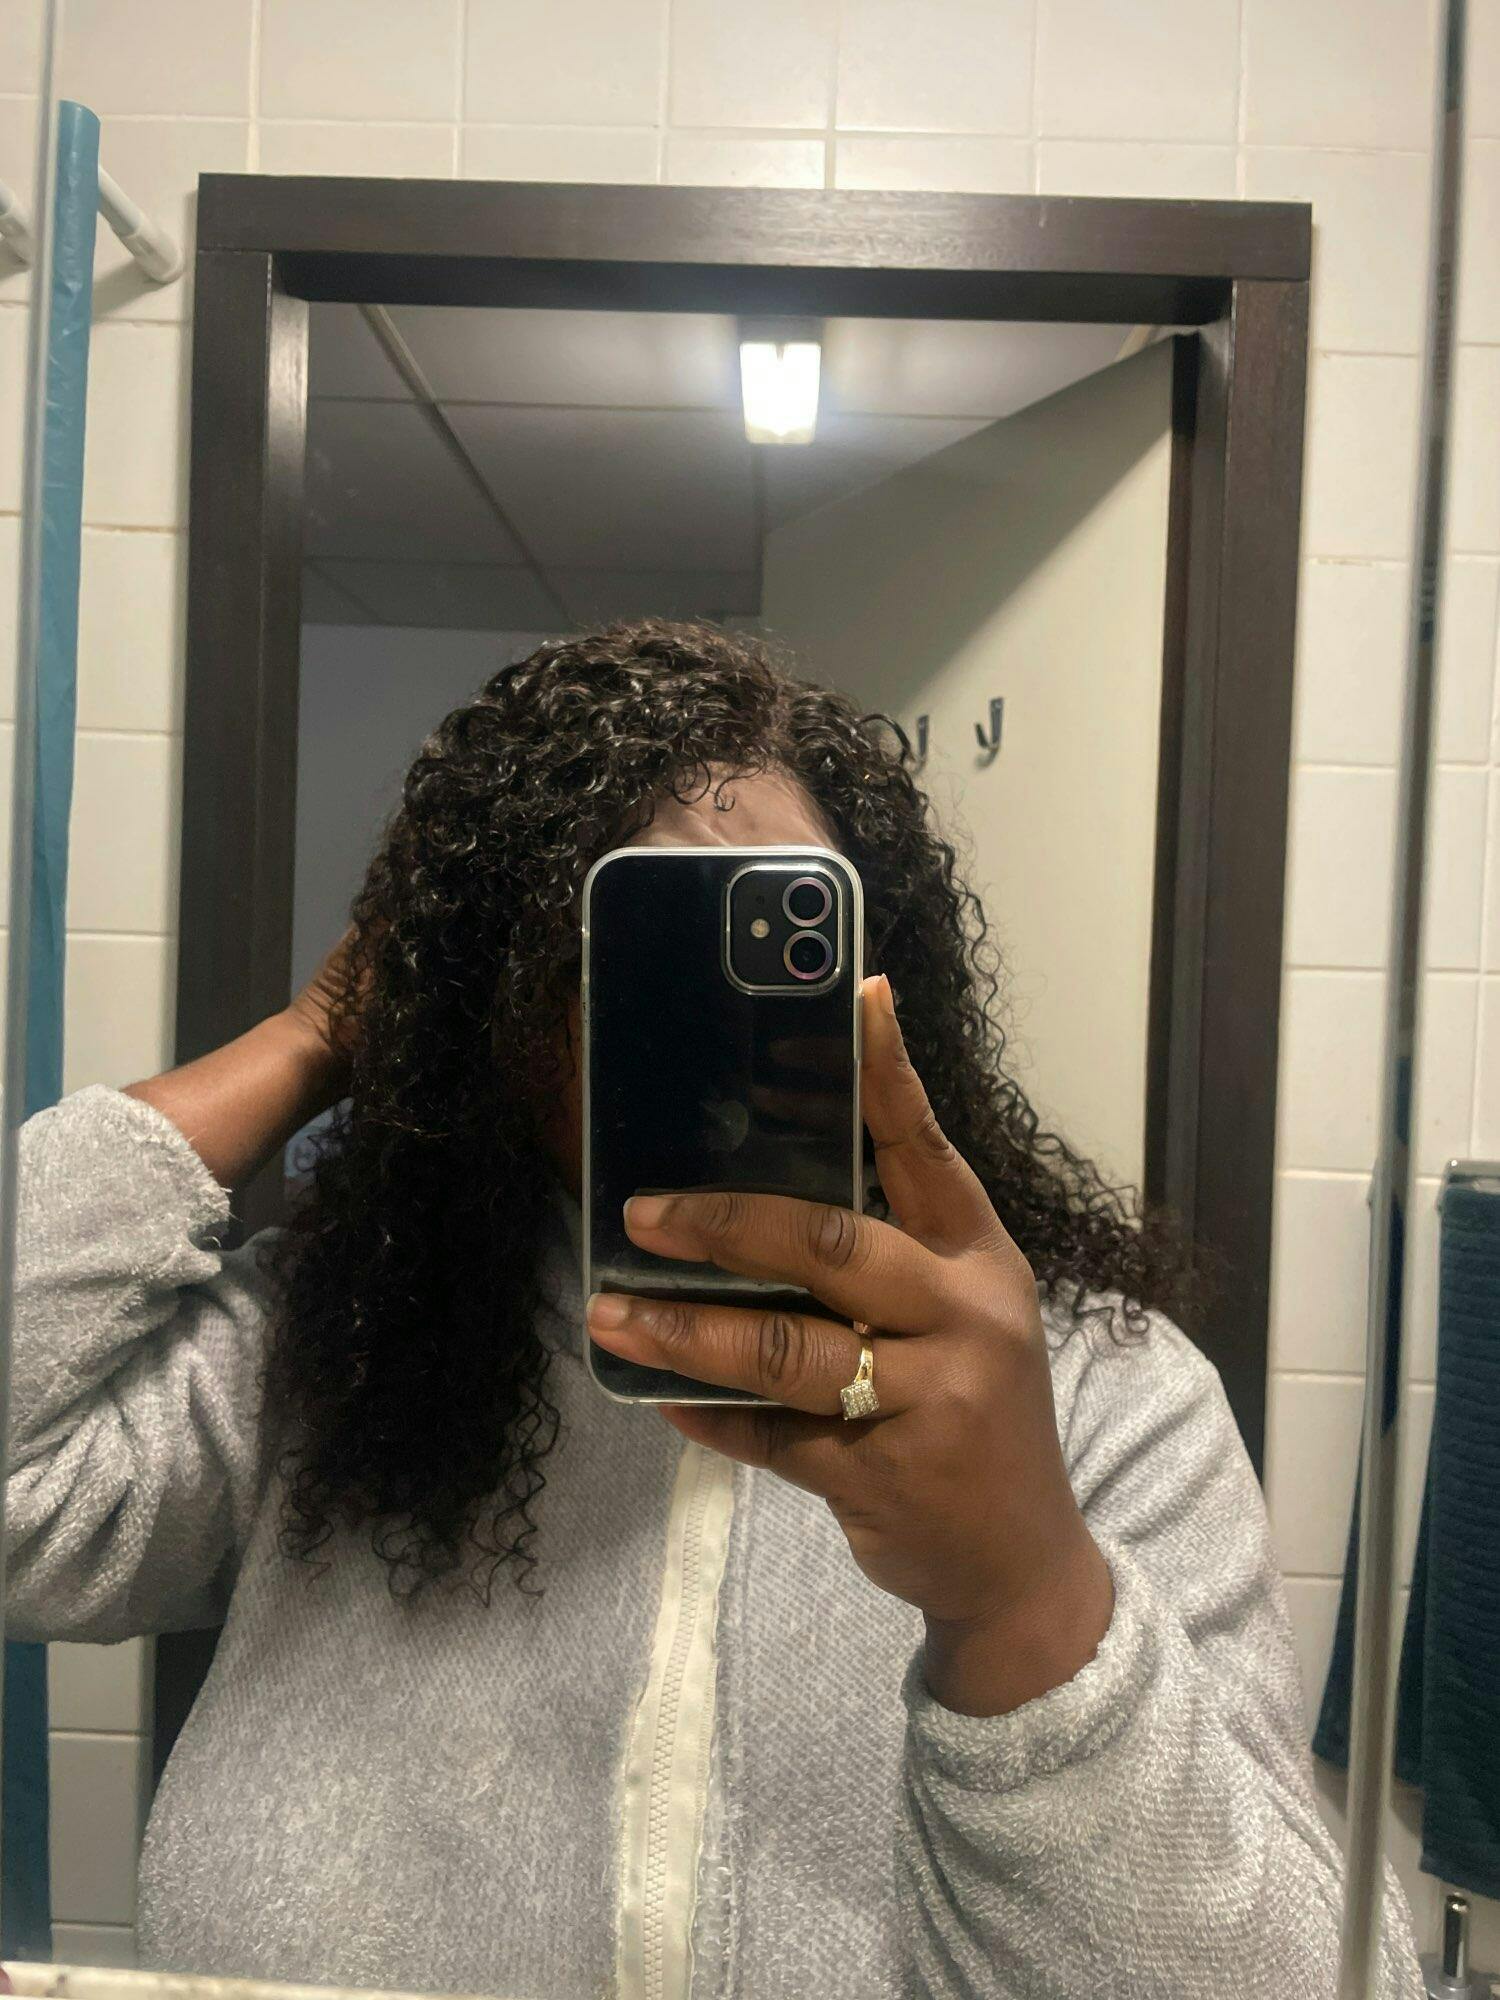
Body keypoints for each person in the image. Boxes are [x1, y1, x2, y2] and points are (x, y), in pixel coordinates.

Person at [6, 621, 1420, 1998]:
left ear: (879, 987)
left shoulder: (1097, 1395)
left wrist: (1022, 1590)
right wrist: (320, 1029)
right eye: (607, 963)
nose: (677, 1029)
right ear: (488, 1012)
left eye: (763, 958)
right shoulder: (345, 1338)